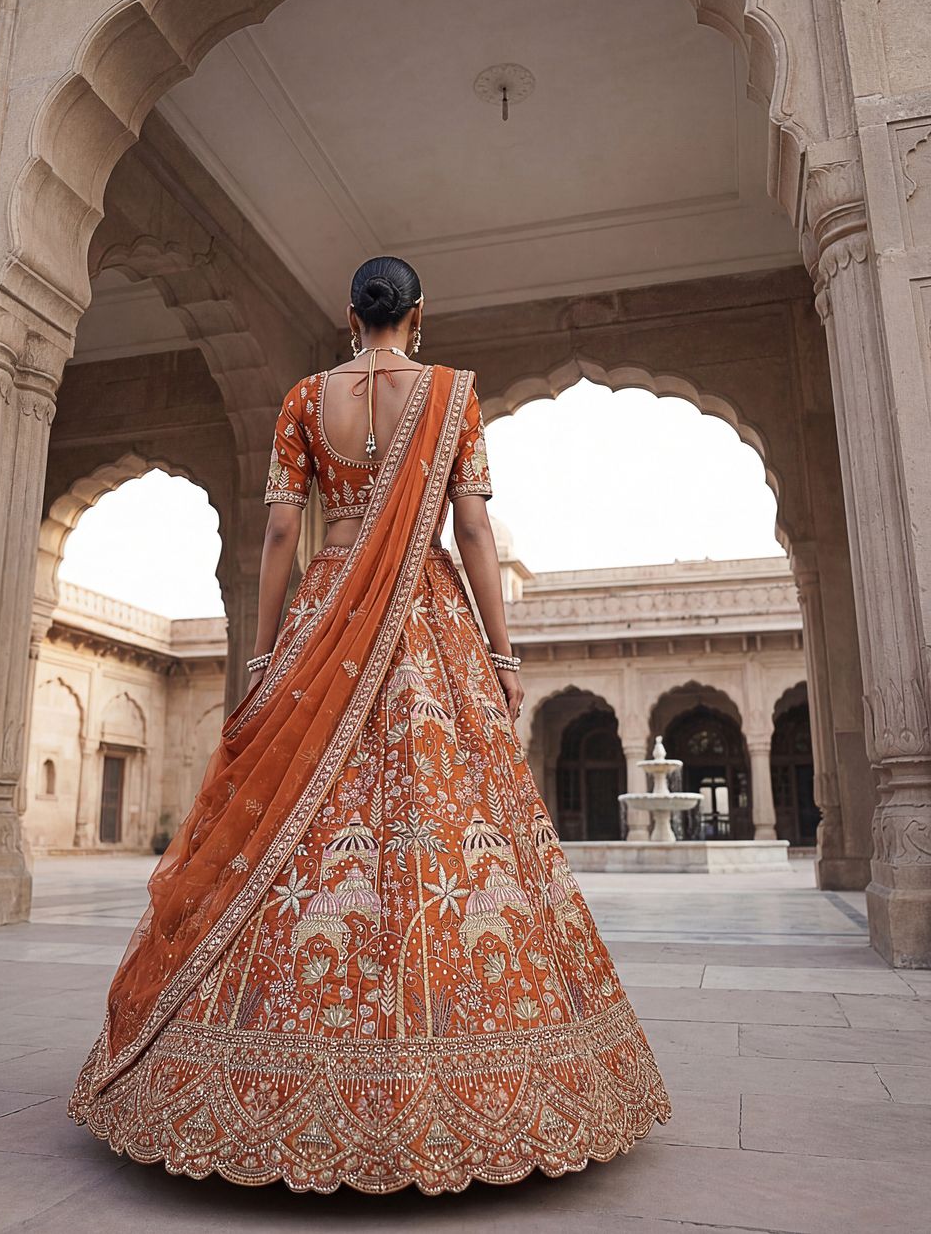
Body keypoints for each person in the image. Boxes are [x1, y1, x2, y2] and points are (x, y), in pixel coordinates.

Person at [68, 256, 671, 1194]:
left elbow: (278, 533)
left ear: (352, 316)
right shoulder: (451, 396)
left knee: (298, 822)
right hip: (426, 619)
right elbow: (472, 532)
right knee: (442, 819)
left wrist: (265, 656)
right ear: (417, 317)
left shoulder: (307, 399)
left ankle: (247, 1061)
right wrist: (503, 658)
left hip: (322, 615)